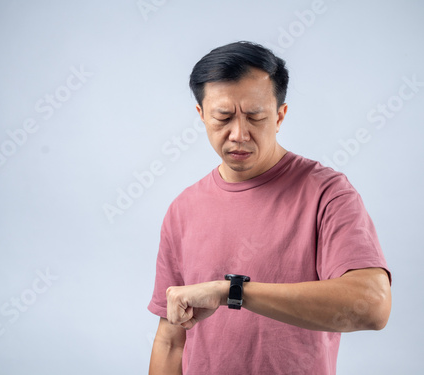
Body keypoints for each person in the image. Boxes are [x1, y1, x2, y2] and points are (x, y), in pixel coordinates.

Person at [147, 41, 391, 375]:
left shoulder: (327, 193)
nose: (238, 134)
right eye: (223, 117)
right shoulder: (183, 209)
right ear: (201, 115)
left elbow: (373, 306)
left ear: (279, 116)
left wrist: (230, 292)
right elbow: (171, 340)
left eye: (255, 117)